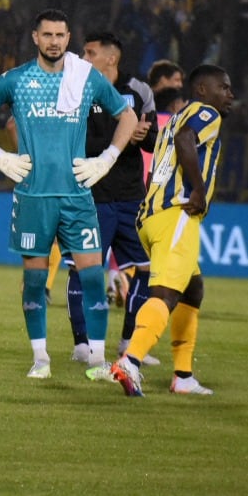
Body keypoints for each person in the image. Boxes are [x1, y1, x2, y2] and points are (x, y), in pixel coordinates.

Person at [0, 9, 137, 379]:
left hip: (77, 195)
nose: (54, 41)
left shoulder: (85, 77)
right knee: (36, 281)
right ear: (35, 38)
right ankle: (40, 359)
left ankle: (99, 360)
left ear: (68, 38)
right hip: (33, 196)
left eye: (60, 35)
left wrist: (107, 158)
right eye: (47, 35)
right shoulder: (17, 80)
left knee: (92, 276)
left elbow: (129, 117)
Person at [111, 65, 235, 396]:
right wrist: (196, 189)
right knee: (165, 294)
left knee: (192, 289)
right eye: (223, 87)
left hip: (152, 215)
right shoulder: (206, 114)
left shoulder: (175, 119)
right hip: (177, 214)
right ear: (203, 91)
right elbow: (186, 141)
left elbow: (164, 161)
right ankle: (131, 361)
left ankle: (182, 376)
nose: (230, 94)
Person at [70, 32, 157, 365]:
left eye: (90, 52)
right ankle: (82, 344)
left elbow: (154, 141)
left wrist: (143, 134)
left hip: (131, 196)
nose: (83, 56)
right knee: (83, 270)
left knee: (146, 270)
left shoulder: (139, 91)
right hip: (92, 195)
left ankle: (129, 343)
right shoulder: (76, 88)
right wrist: (120, 135)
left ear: (111, 58)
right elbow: (77, 141)